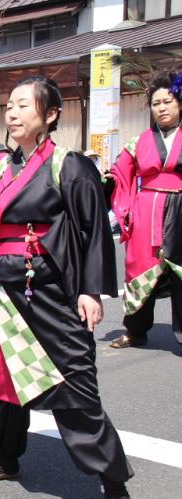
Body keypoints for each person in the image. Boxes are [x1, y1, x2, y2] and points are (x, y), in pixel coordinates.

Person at [0, 75, 133, 499]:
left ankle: (114, 488)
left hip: (52, 292)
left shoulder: (68, 166)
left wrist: (91, 291)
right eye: (9, 106)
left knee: (76, 386)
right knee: (7, 381)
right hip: (7, 290)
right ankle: (7, 458)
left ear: (50, 115)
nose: (12, 113)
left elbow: (94, 232)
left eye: (23, 105)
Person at [109, 71, 182, 349]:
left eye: (168, 101)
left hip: (181, 211)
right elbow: (119, 175)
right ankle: (135, 331)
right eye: (155, 103)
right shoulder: (137, 142)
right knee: (138, 270)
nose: (161, 107)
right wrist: (120, 204)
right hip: (146, 210)